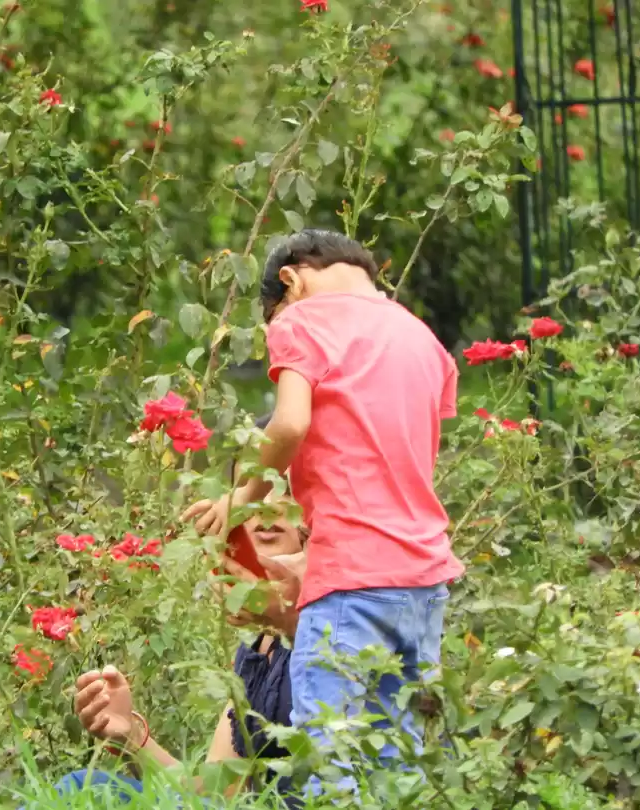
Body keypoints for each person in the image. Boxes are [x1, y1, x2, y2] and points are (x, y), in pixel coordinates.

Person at [182, 229, 463, 794]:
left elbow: (288, 424)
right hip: (424, 580)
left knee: (328, 768)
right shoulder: (422, 338)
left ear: (290, 279)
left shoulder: (302, 320)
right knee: (399, 767)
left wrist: (239, 500)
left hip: (350, 581)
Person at [52, 502, 305, 807]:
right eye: (253, 494)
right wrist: (131, 735)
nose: (267, 508)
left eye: (283, 491)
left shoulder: (337, 621)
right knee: (83, 785)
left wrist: (293, 623)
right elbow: (213, 793)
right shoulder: (255, 649)